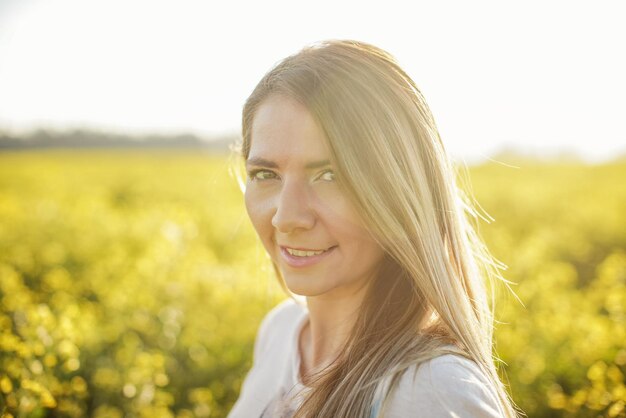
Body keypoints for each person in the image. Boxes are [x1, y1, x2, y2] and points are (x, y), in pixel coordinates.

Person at [228, 39, 522, 418]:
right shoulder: (281, 333)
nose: (286, 217)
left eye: (330, 174)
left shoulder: (433, 392)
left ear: (399, 191)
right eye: (266, 174)